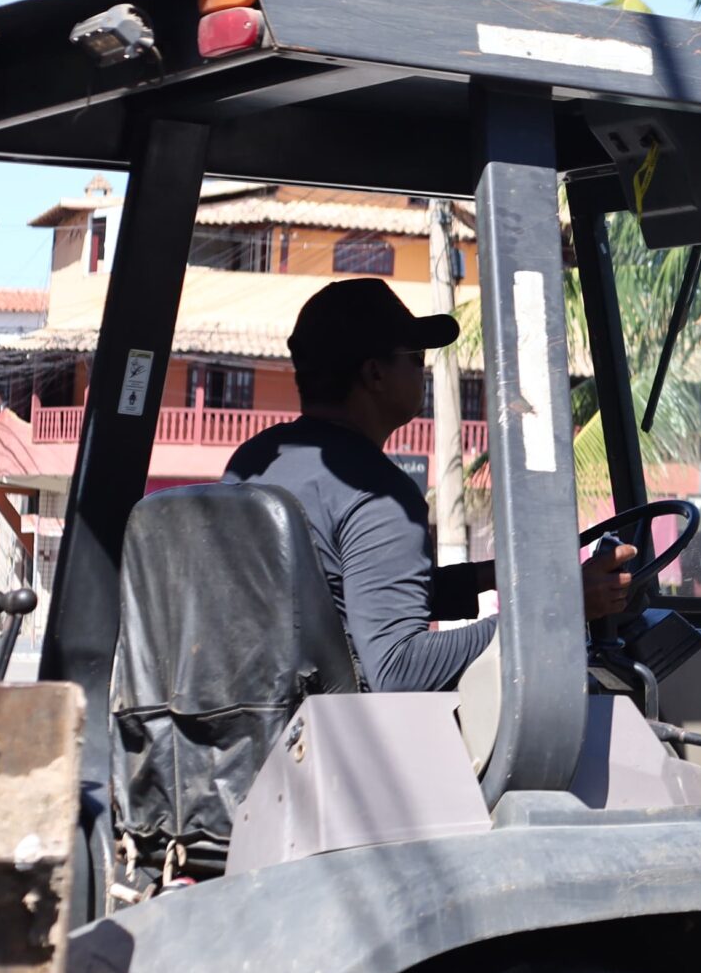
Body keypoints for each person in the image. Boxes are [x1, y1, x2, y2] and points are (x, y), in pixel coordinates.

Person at [225, 276, 634, 693]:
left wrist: (504, 574)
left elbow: (342, 596)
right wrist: (559, 609)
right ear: (374, 374)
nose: (425, 370)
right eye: (417, 357)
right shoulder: (377, 493)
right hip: (339, 742)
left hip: (255, 724)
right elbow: (400, 670)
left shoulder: (254, 460)